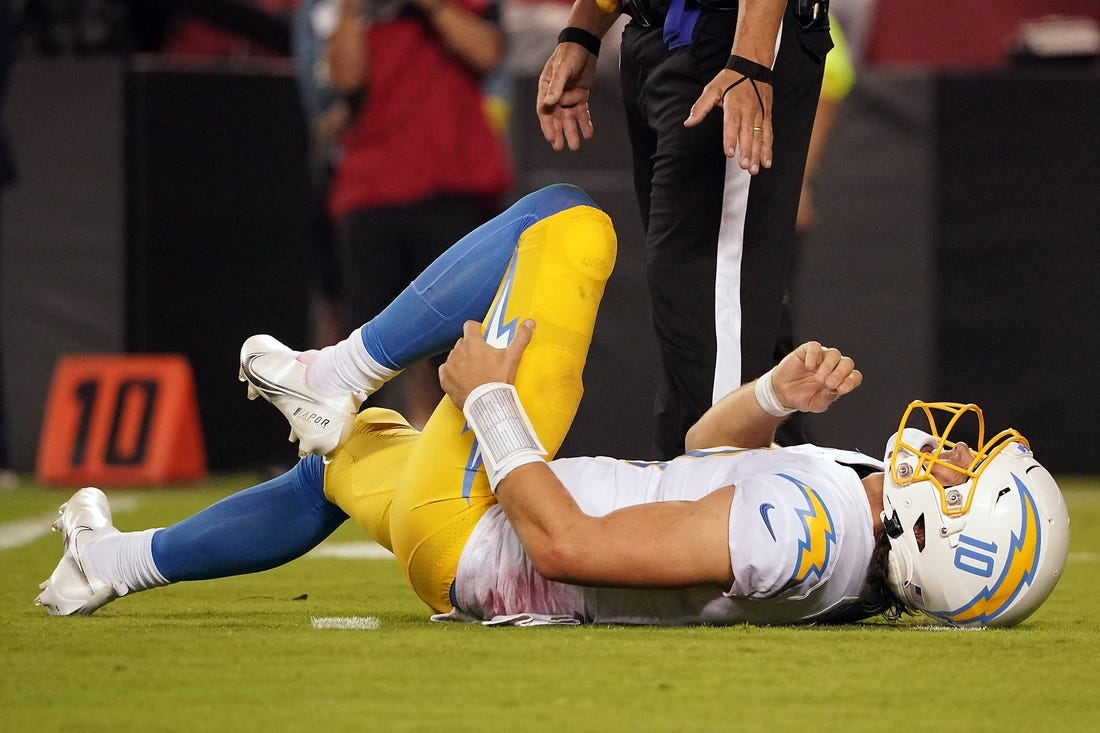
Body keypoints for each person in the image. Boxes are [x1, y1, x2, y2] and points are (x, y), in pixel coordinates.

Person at [35, 185, 1070, 628]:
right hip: (468, 544)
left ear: (948, 536)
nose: (947, 457)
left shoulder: (799, 531)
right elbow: (702, 462)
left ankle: (342, 366)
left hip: (493, 528)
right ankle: (111, 564)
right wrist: (765, 397)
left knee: (569, 228)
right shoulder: (849, 524)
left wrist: (489, 403)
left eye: (961, 480)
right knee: (344, 459)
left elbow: (568, 542)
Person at [537, 0, 834, 458]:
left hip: (731, 38)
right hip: (653, 34)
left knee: (712, 307)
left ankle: (712, 515)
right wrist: (584, 28)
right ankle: (795, 509)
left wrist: (751, 59)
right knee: (714, 303)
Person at [323, 0, 513, 428]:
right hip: (372, 192)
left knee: (463, 344)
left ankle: (471, 458)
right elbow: (345, 78)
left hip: (452, 190)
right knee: (361, 349)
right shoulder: (360, 11)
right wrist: (352, 10)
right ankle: (343, 467)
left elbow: (487, 53)